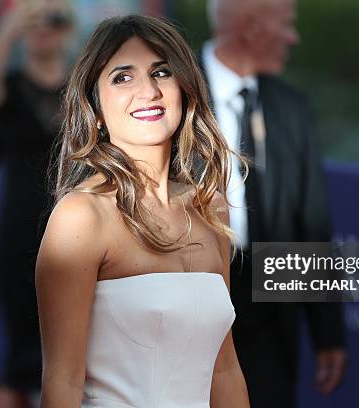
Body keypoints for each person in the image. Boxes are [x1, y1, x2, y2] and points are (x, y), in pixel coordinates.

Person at [35, 15, 250, 408]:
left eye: (161, 72)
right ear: (95, 109)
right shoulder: (81, 218)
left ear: (184, 89)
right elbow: (63, 381)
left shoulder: (210, 208)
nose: (148, 90)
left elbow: (225, 369)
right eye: (122, 77)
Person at [202, 0, 347, 406]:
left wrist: (327, 332)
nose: (293, 38)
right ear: (250, 26)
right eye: (286, 25)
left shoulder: (292, 107)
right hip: (188, 302)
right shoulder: (170, 94)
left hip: (269, 307)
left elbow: (311, 222)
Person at [0, 0, 74, 406]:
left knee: (71, 347)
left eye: (53, 20)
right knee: (19, 350)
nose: (44, 29)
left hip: (77, 229)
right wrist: (8, 30)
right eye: (35, 23)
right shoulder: (8, 84)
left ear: (66, 29)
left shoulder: (81, 85)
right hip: (18, 226)